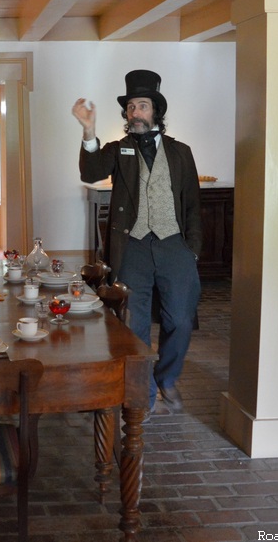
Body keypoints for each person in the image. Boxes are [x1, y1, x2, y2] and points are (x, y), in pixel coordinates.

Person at [72, 69, 202, 413]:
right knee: (134, 324)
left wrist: (193, 252)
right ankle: (141, 395)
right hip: (133, 247)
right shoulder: (118, 150)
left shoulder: (180, 152)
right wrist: (88, 130)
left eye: (142, 106)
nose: (135, 113)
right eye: (130, 108)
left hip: (175, 245)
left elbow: (192, 204)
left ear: (155, 111)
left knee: (181, 320)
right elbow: (90, 173)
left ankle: (167, 377)